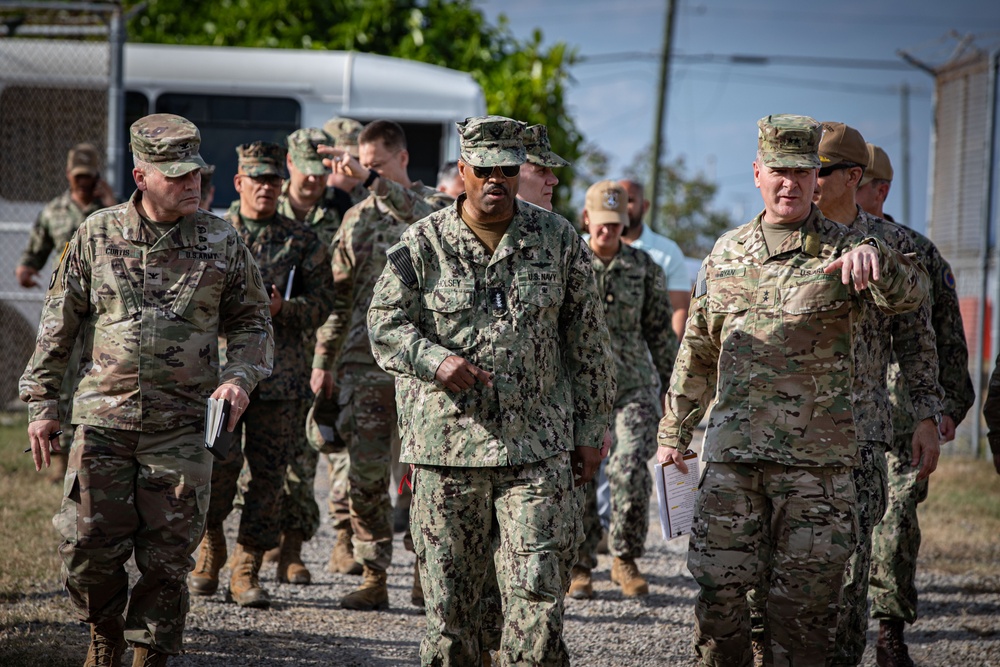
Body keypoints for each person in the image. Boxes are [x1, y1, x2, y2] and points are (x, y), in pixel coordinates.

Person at [656, 114, 929, 666]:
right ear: (757, 172)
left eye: (803, 172)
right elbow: (699, 351)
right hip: (734, 462)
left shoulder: (854, 247)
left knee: (804, 615)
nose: (790, 183)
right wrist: (674, 433)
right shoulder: (726, 252)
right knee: (720, 600)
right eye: (779, 171)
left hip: (818, 471)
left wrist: (876, 267)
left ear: (817, 179)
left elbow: (914, 294)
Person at [19, 113, 274, 666]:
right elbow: (57, 326)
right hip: (104, 424)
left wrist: (238, 378)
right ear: (141, 176)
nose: (193, 184)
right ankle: (104, 633)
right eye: (177, 175)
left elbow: (254, 325)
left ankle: (148, 654)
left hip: (182, 428)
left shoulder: (221, 240)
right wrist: (42, 405)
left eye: (197, 173)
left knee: (167, 560)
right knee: (86, 549)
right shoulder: (95, 233)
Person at [368, 114, 616, 665]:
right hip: (445, 453)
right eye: (484, 170)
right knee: (451, 612)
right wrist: (435, 362)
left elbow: (589, 346)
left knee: (535, 598)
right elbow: (383, 322)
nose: (496, 180)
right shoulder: (424, 242)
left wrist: (592, 433)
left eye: (508, 168)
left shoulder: (558, 241)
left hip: (536, 451)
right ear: (464, 171)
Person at [811, 122, 944, 667]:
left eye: (819, 170)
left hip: (860, 440)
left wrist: (931, 415)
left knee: (847, 582)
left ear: (853, 176)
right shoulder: (784, 236)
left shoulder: (897, 247)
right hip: (784, 440)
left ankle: (881, 634)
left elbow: (923, 341)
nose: (807, 181)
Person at [311, 120, 452, 610]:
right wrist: (323, 360)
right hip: (364, 364)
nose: (365, 174)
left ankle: (422, 571)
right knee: (364, 477)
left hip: (424, 367)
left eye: (375, 166)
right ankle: (373, 573)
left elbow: (421, 219)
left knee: (424, 476)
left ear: (403, 159)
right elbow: (339, 298)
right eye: (363, 166)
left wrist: (370, 182)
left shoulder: (438, 209)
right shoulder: (355, 220)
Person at [189, 141, 333, 609]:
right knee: (217, 471)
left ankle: (247, 566)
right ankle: (211, 549)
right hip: (223, 379)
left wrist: (282, 308)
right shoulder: (211, 233)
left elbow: (324, 305)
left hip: (281, 380)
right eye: (258, 179)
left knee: (268, 479)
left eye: (274, 179)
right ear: (239, 182)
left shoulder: (303, 239)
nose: (266, 188)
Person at [862, 143, 975, 667]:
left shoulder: (919, 253)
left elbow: (949, 337)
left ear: (879, 189)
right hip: (844, 413)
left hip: (908, 413)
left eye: (852, 179)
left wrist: (949, 405)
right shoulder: (817, 244)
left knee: (898, 519)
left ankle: (889, 632)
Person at [567, 180, 676, 600]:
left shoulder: (645, 268)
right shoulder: (568, 263)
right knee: (579, 473)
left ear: (626, 223)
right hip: (580, 391)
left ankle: (624, 559)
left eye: (616, 224)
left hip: (633, 387)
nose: (607, 232)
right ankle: (579, 564)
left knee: (629, 468)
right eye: (601, 223)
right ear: (587, 219)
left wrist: (674, 389)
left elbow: (660, 335)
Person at [16, 142, 117, 483]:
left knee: (90, 381)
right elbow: (36, 250)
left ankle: (88, 450)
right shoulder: (55, 211)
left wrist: (110, 199)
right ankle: (58, 456)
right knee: (58, 379)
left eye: (89, 177)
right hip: (66, 309)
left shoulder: (111, 211)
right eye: (78, 177)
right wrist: (27, 269)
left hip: (103, 311)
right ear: (68, 176)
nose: (84, 183)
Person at [619, 179, 690, 340]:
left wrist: (668, 358)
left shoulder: (668, 251)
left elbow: (679, 309)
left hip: (646, 358)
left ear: (644, 206)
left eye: (629, 200)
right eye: (618, 201)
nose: (622, 207)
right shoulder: (588, 245)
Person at [516, 124, 568, 211]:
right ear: (511, 175)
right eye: (541, 171)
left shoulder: (558, 224)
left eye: (551, 170)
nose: (554, 180)